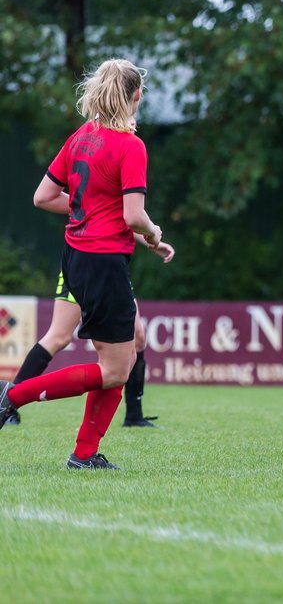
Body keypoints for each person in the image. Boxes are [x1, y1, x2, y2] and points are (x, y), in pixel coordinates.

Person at [0, 59, 166, 470]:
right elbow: (132, 215)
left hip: (75, 256)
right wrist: (155, 234)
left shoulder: (82, 136)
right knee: (114, 368)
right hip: (104, 261)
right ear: (136, 96)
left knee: (118, 363)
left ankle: (85, 454)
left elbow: (42, 197)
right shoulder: (131, 146)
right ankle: (12, 396)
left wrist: (86, 211)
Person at [4, 236, 173, 429]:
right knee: (58, 336)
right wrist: (153, 238)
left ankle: (134, 415)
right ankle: (8, 402)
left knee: (139, 337)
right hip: (86, 259)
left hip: (112, 264)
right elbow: (131, 216)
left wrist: (151, 240)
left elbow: (125, 217)